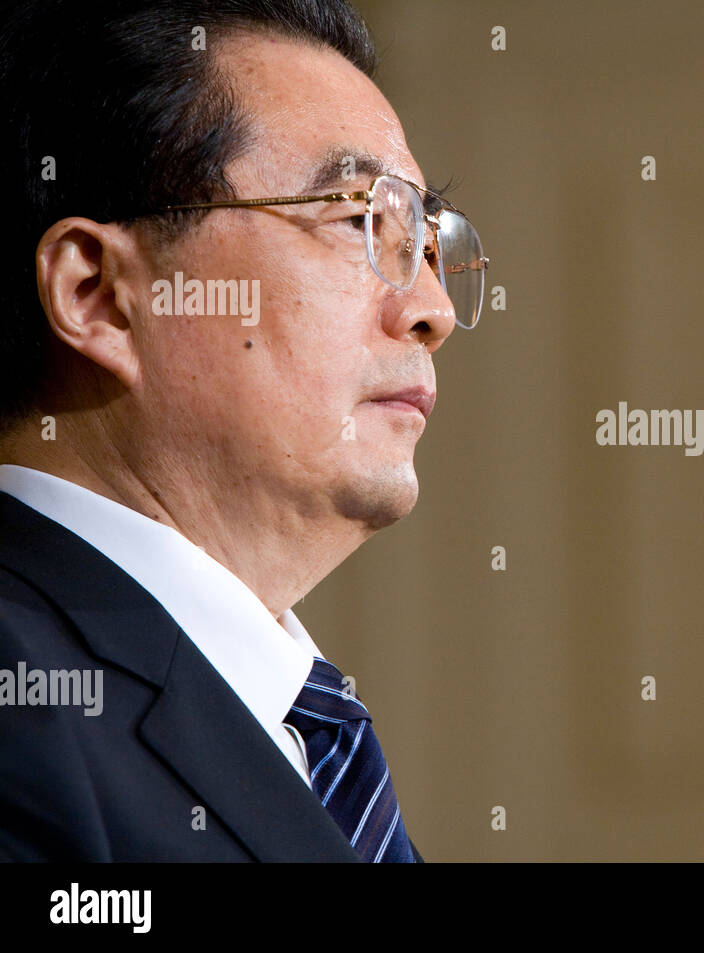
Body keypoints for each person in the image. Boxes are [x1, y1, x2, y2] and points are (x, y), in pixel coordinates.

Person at [0, 0, 486, 861]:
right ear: (99, 295)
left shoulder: (300, 733)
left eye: (423, 238)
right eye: (356, 219)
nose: (432, 310)